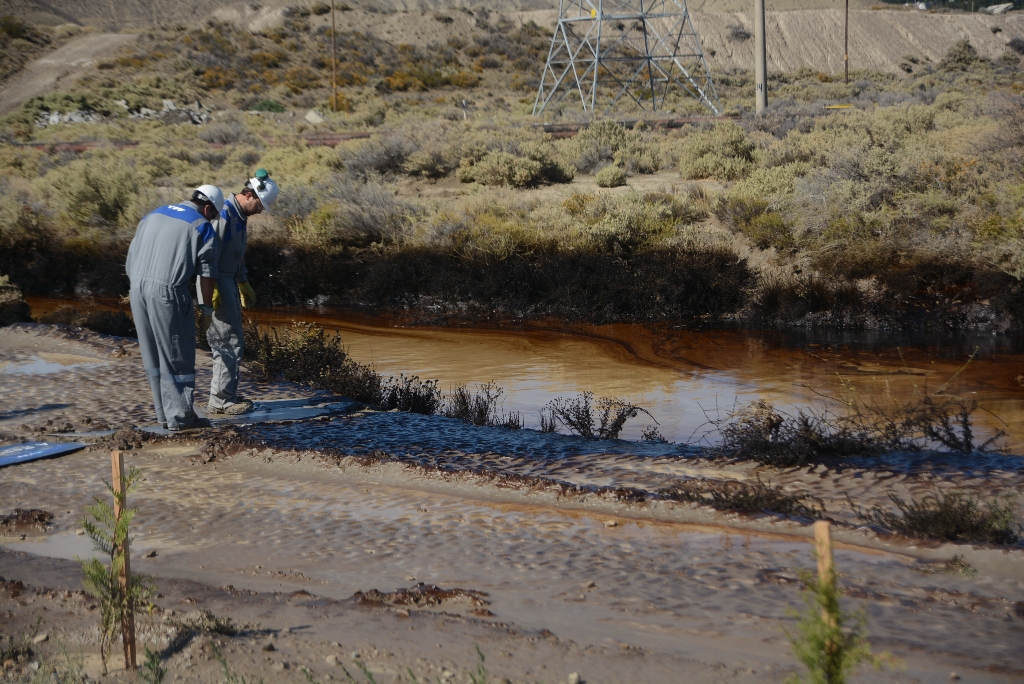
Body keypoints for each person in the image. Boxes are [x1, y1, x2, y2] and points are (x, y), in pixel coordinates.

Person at [126, 185, 223, 431]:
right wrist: (206, 309)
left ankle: (163, 416)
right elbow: (207, 274)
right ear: (209, 208)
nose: (212, 219)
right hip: (167, 292)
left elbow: (131, 256)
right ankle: (181, 418)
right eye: (213, 215)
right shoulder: (201, 225)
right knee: (176, 354)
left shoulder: (153, 214)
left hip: (136, 288)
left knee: (153, 354)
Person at [200, 169, 280, 415]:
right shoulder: (224, 215)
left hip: (228, 280)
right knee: (226, 341)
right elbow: (209, 253)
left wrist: (243, 282)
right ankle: (222, 400)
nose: (260, 210)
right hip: (218, 281)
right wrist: (210, 286)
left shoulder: (238, 216)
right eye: (260, 205)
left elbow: (235, 255)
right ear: (249, 195)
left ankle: (226, 393)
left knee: (231, 340)